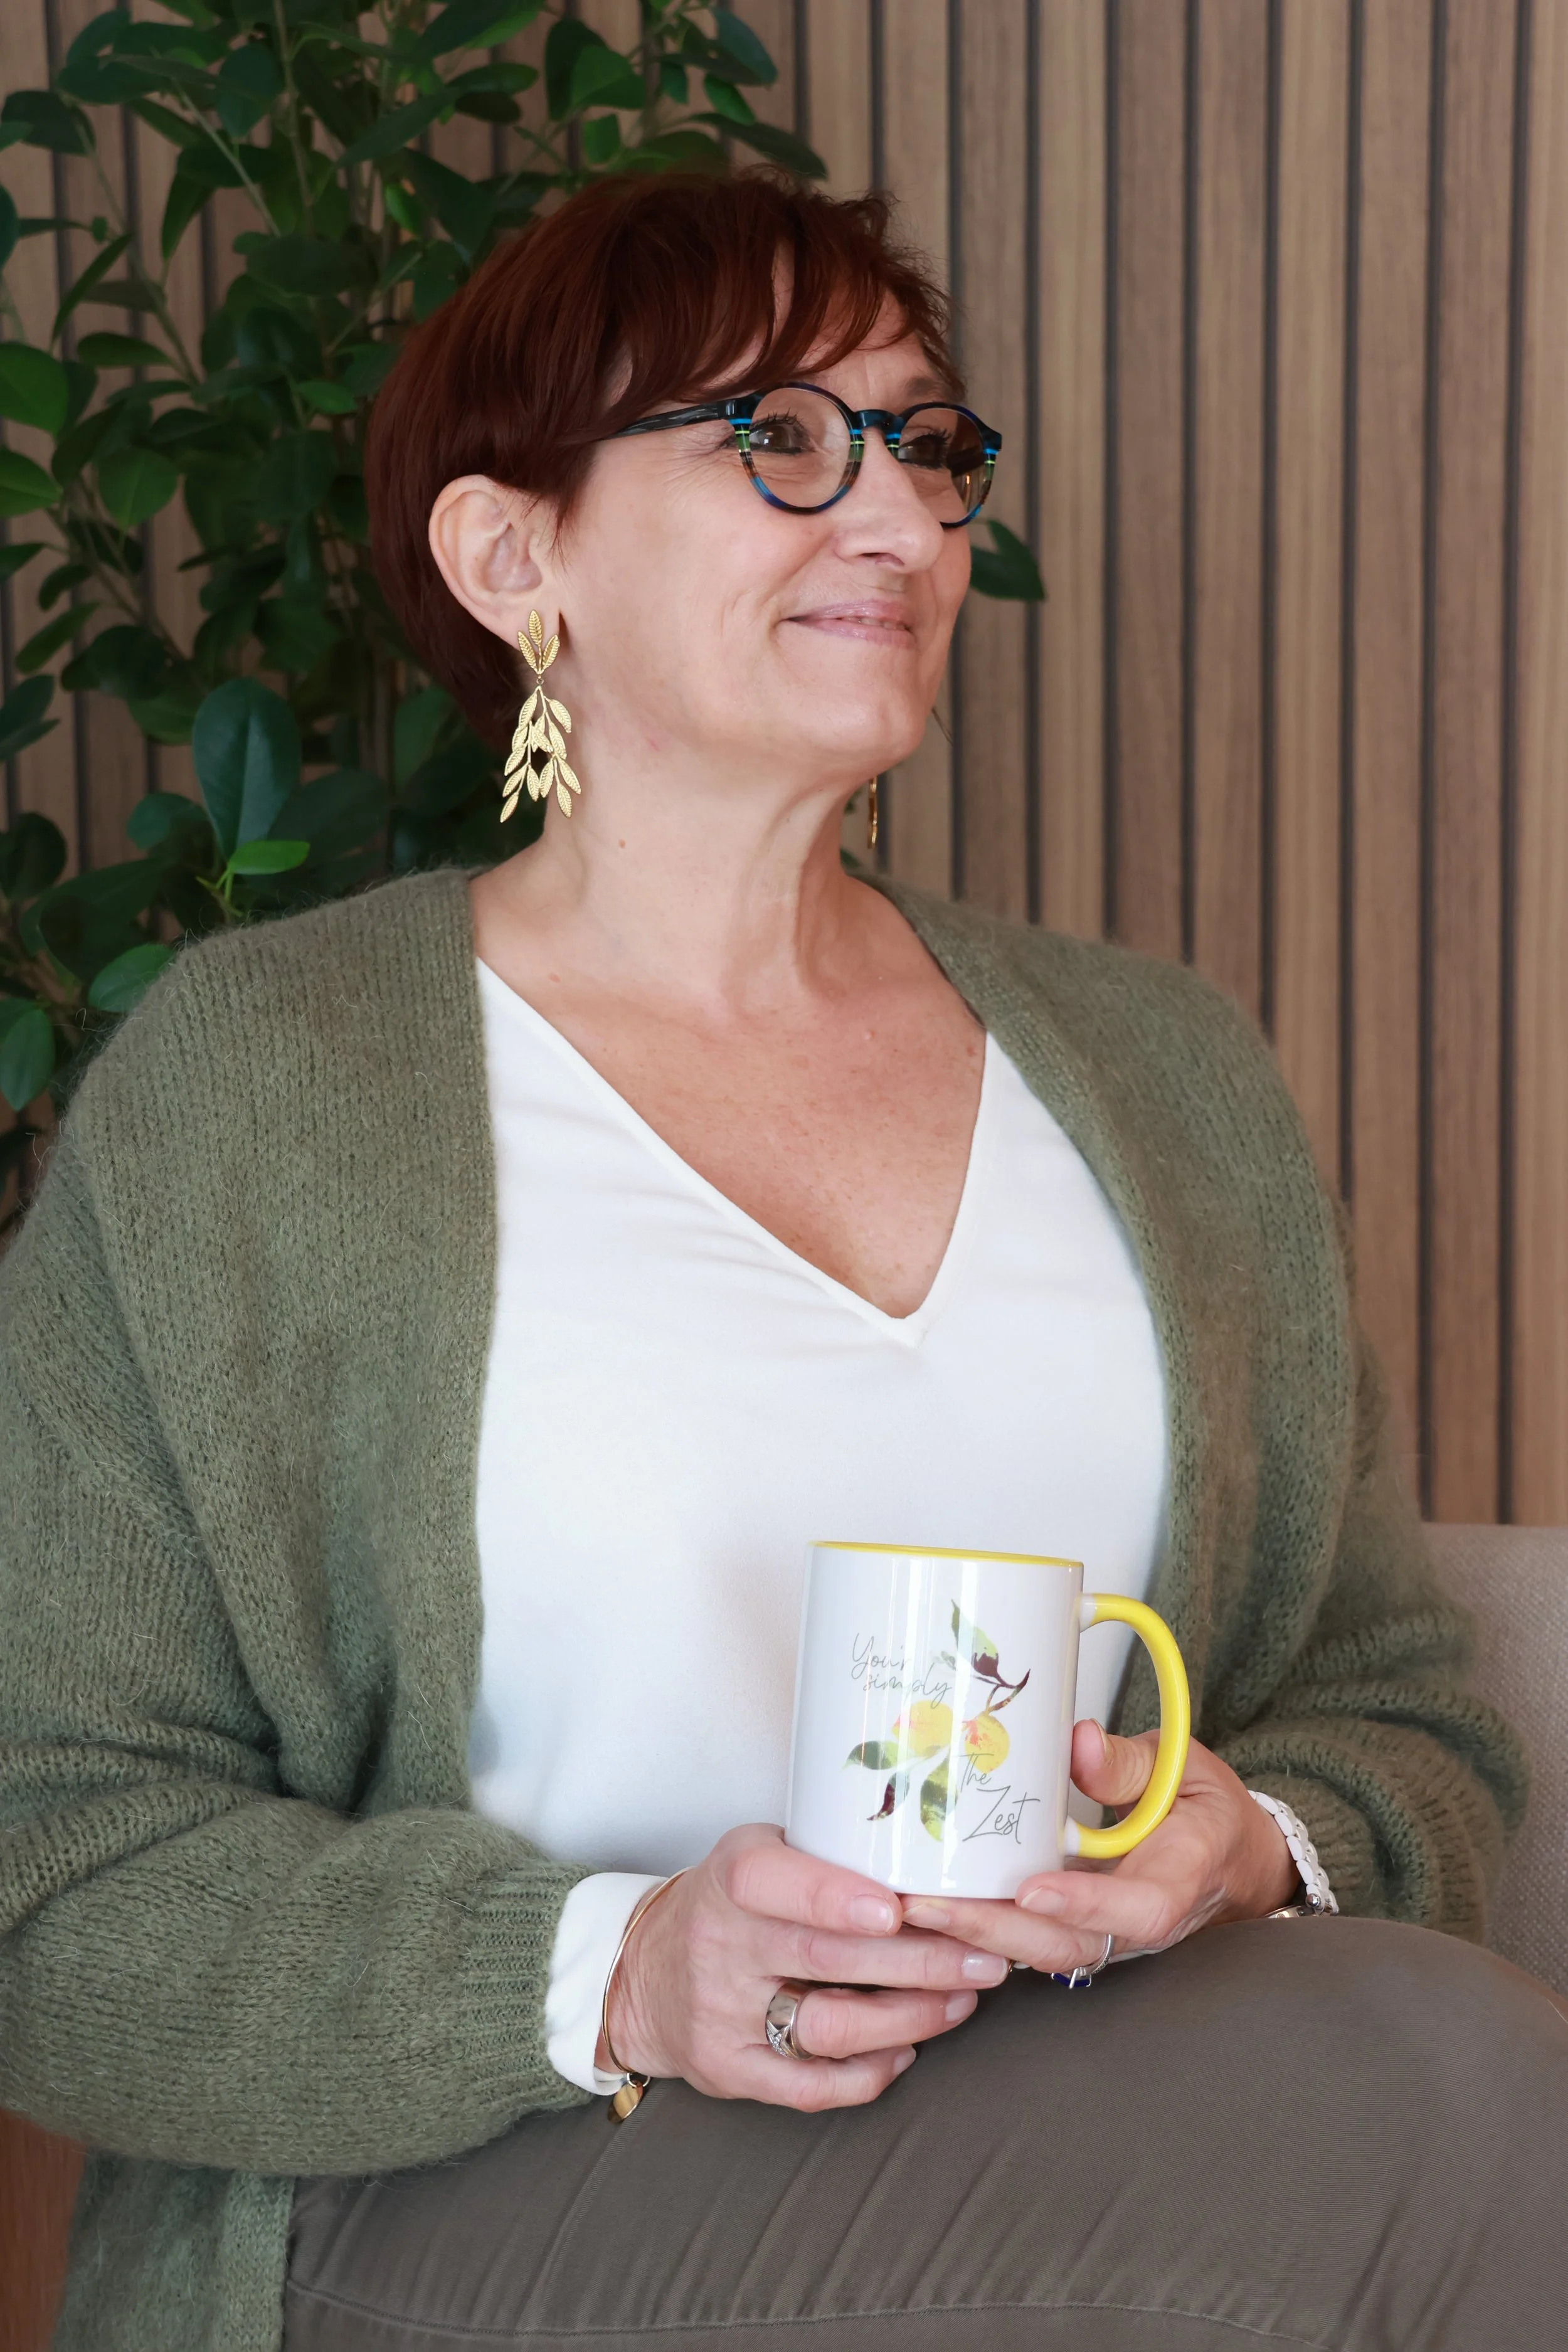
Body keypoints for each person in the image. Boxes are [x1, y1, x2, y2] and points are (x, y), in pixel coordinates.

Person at [1, 171, 1564, 2352]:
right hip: (475, 2177)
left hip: (1088, 2103)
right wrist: (621, 1965)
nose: (906, 525)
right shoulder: (257, 1093)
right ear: (510, 551)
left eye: (923, 442)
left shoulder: (1167, 1075)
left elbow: (1401, 1717)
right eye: (777, 439)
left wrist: (1249, 1845)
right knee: (1449, 2099)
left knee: (1419, 2091)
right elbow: (48, 1872)